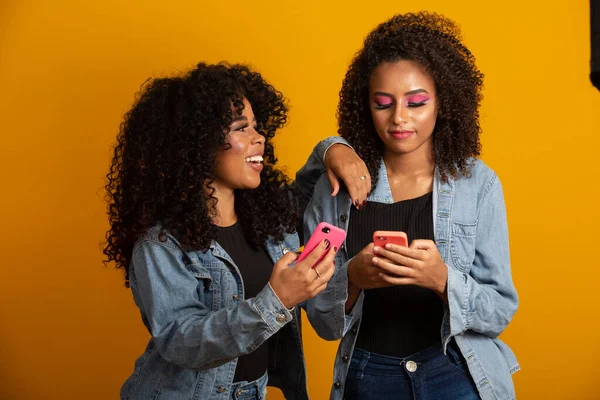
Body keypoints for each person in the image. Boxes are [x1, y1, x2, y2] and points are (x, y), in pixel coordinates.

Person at [103, 62, 367, 400]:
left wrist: (333, 147)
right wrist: (277, 301)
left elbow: (313, 182)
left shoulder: (270, 221)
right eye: (241, 128)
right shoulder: (161, 243)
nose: (259, 138)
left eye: (257, 127)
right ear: (197, 143)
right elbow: (180, 341)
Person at [300, 12, 519, 400]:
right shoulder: (335, 187)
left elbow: (499, 310)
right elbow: (323, 321)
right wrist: (352, 277)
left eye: (416, 102)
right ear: (365, 106)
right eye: (383, 103)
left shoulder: (477, 184)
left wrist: (441, 280)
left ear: (443, 102)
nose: (399, 117)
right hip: (368, 378)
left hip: (456, 373)